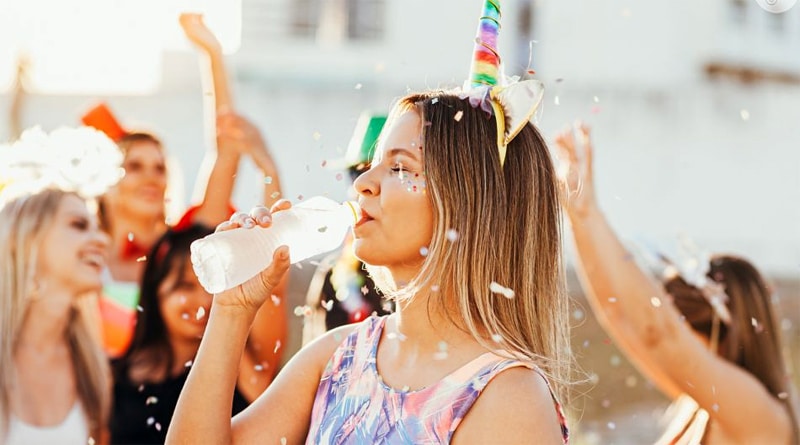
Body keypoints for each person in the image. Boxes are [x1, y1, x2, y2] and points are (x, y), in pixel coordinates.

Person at [553, 124, 798, 444]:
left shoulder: (756, 409)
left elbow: (659, 334)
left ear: (715, 331)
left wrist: (594, 215)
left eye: (681, 329)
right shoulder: (704, 400)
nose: (677, 344)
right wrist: (580, 217)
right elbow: (620, 317)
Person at [88, 14, 284, 357]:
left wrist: (212, 54)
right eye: (134, 166)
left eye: (160, 167)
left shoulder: (180, 248)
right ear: (105, 179)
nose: (151, 176)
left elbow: (226, 148)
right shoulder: (83, 253)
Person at [110, 224, 286, 444]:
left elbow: (264, 405)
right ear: (156, 290)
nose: (204, 301)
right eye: (185, 286)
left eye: (212, 286)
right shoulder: (114, 377)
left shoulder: (240, 366)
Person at [0, 188, 112, 444]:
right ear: (27, 240)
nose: (102, 240)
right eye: (79, 225)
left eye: (97, 227)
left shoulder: (92, 366)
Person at [302, 112, 392, 345]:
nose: (363, 186)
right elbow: (311, 364)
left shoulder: (424, 279)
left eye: (389, 172)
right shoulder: (331, 273)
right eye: (357, 173)